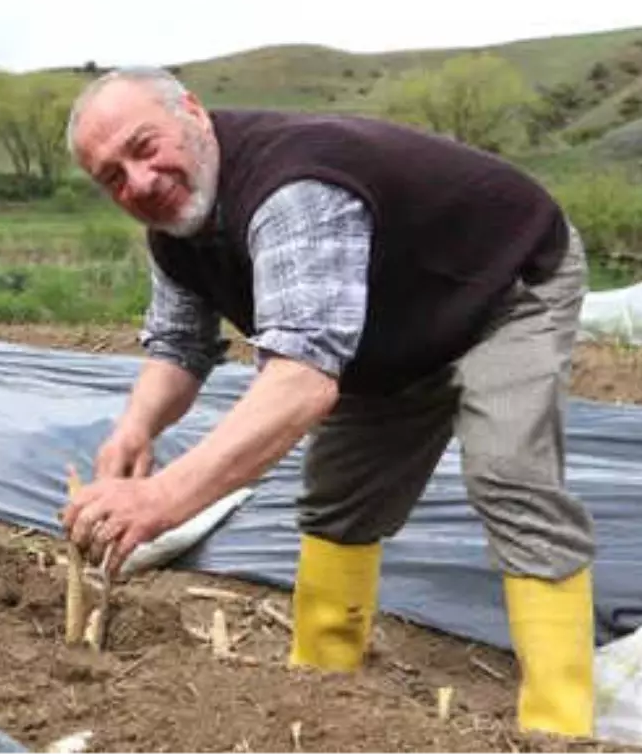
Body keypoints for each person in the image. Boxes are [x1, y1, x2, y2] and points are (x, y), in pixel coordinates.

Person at [59, 65, 597, 739]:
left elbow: (303, 380)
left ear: (192, 112)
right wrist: (135, 430)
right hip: (389, 325)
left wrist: (162, 499)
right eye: (112, 177)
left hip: (501, 286)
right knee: (338, 504)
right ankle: (319, 702)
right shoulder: (175, 226)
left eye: (144, 147)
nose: (138, 182)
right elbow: (179, 345)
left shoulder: (293, 190)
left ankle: (560, 730)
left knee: (509, 475)